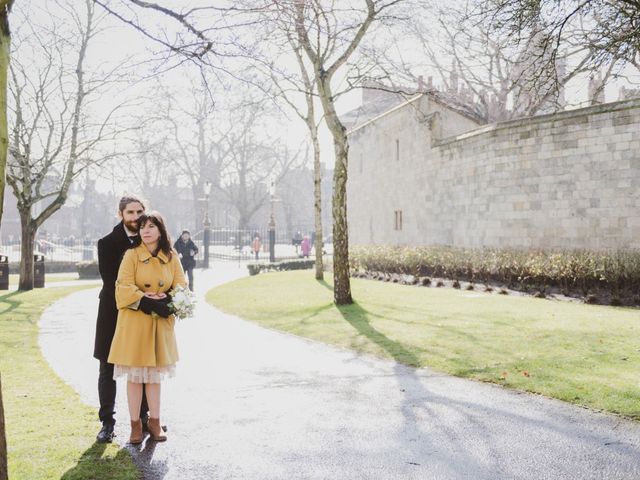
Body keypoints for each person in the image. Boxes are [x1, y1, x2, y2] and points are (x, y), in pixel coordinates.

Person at [108, 211, 187, 444]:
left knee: (154, 378)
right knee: (134, 378)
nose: (146, 230)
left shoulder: (171, 256)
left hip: (160, 322)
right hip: (135, 323)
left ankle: (155, 422)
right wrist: (145, 300)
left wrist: (167, 299)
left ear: (160, 230)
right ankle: (135, 426)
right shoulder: (131, 255)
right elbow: (122, 286)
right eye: (142, 227)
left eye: (151, 226)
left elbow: (182, 285)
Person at [94, 195, 151, 444]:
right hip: (112, 311)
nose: (136, 217)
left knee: (143, 366)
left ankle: (144, 418)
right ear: (121, 214)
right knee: (107, 367)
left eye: (140, 212)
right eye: (131, 212)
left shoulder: (150, 240)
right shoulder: (106, 243)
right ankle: (107, 423)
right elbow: (111, 280)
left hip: (142, 312)